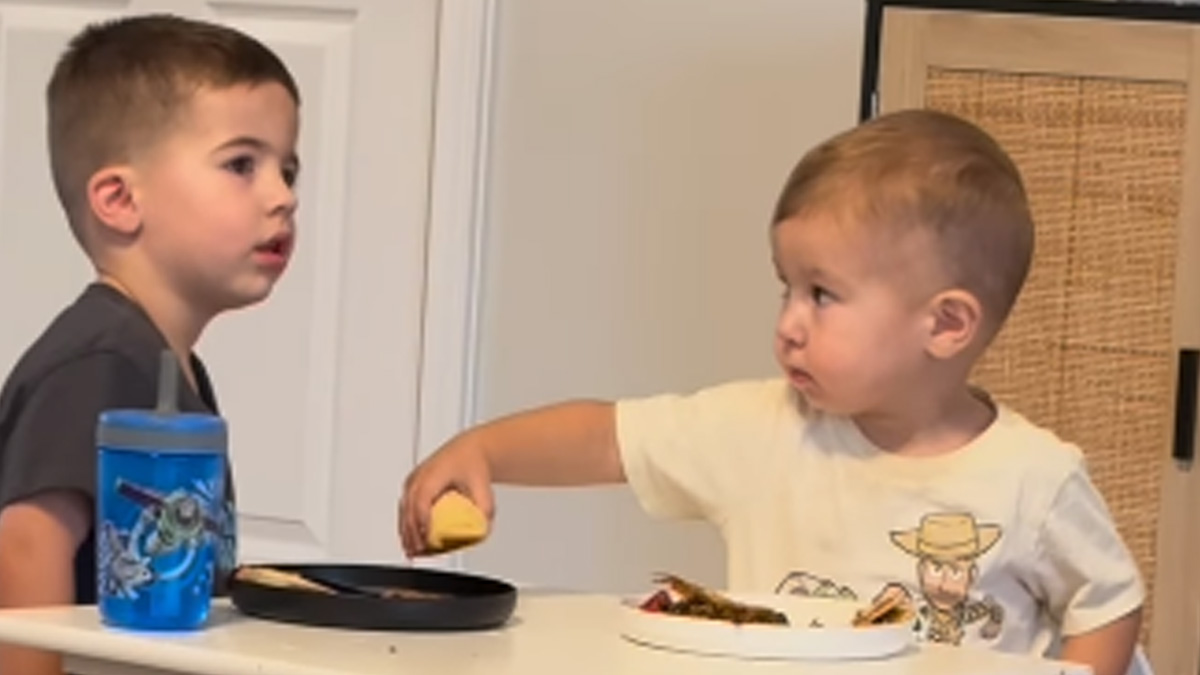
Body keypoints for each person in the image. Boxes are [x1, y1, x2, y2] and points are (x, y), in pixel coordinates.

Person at [399, 109, 1144, 675]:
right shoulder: (762, 430)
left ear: (945, 324)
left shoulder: (1034, 478)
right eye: (785, 287)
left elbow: (1108, 605)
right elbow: (608, 437)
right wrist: (483, 449)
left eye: (822, 295)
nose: (788, 323)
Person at [0, 13, 300, 675]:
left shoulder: (167, 364)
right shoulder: (99, 363)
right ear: (119, 198)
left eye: (288, 169)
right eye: (241, 165)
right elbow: (24, 551)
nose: (282, 196)